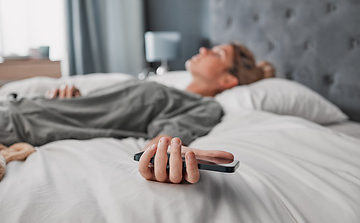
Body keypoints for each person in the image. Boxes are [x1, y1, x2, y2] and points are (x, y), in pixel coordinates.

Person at [0, 42, 274, 184]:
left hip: (18, 123)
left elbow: (166, 138)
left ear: (228, 81)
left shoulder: (204, 106)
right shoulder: (164, 86)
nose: (204, 49)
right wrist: (72, 100)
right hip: (22, 107)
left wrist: (163, 154)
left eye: (217, 53)